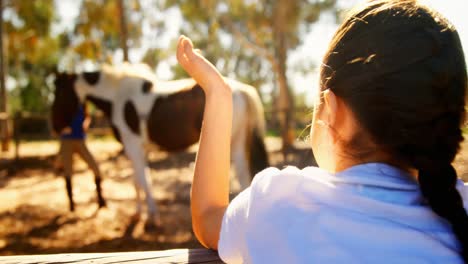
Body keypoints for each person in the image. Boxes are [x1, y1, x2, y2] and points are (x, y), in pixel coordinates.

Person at [176, 0, 468, 263]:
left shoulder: (281, 202)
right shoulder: (460, 212)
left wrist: (218, 94)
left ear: (332, 109)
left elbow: (208, 217)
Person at [57, 103, 106, 212]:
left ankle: (100, 198)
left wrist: (85, 124)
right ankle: (71, 203)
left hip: (80, 140)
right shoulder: (65, 101)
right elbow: (56, 118)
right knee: (68, 172)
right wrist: (61, 128)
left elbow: (87, 116)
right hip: (67, 141)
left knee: (95, 168)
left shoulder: (82, 103)